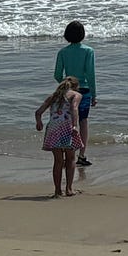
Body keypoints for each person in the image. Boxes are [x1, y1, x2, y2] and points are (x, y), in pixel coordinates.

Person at [53, 20, 97, 167]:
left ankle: (67, 153)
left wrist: (66, 85)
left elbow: (57, 74)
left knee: (67, 122)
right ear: (83, 35)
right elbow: (90, 74)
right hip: (84, 90)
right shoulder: (88, 51)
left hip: (68, 91)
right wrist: (94, 94)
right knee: (82, 122)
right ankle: (82, 155)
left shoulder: (63, 52)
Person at [36, 76, 82, 197]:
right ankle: (69, 189)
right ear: (76, 86)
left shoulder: (54, 96)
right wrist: (75, 126)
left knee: (58, 161)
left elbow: (38, 112)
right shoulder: (75, 95)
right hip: (67, 127)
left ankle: (57, 191)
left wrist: (39, 122)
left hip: (53, 128)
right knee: (71, 158)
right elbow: (74, 108)